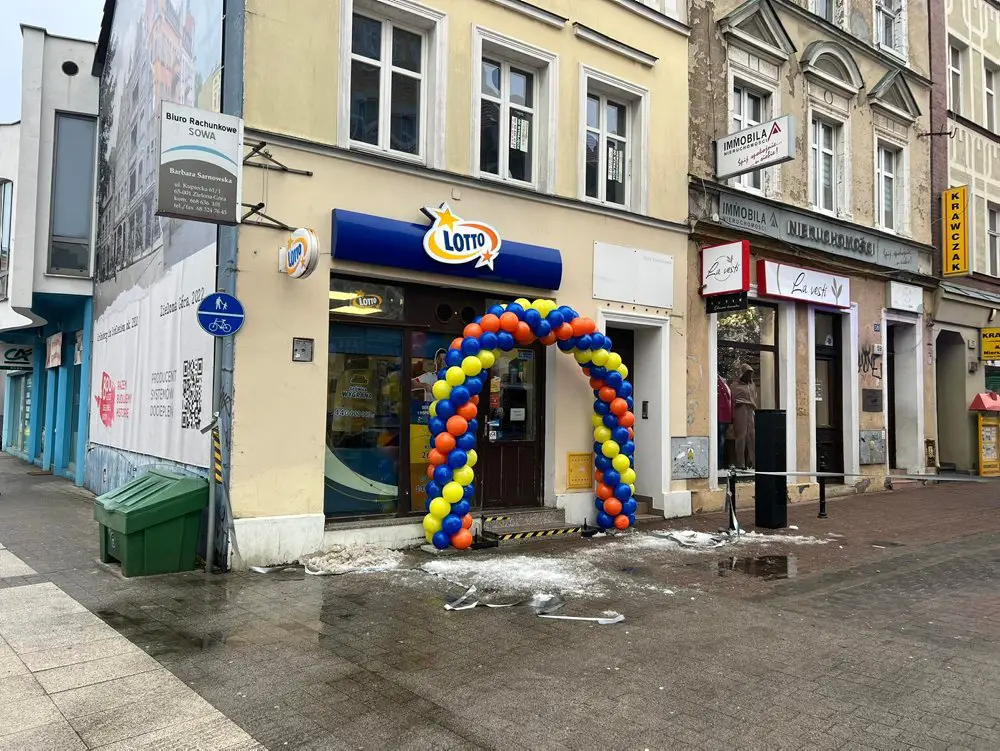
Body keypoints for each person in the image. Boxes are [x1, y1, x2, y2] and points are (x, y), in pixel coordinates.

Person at [730, 363, 757, 469]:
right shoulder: (735, 385)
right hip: (740, 409)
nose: (748, 375)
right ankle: (741, 463)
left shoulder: (751, 385)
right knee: (741, 436)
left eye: (750, 373)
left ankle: (753, 462)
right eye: (747, 373)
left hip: (750, 410)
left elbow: (754, 397)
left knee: (752, 436)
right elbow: (732, 399)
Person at [717, 375, 732, 469]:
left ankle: (721, 462)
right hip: (721, 416)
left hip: (725, 417)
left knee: (722, 440)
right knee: (721, 440)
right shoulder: (718, 383)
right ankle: (719, 463)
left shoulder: (723, 383)